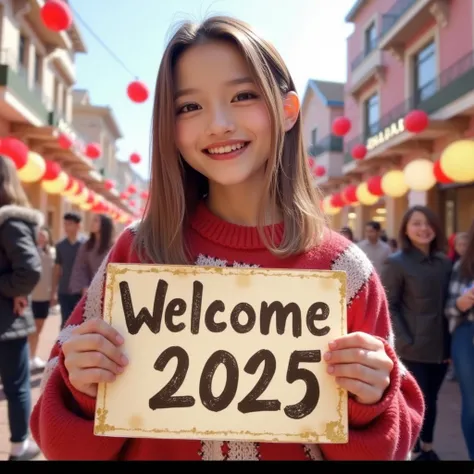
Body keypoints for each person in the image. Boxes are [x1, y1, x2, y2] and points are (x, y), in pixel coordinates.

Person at [30, 15, 424, 461]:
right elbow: (59, 440)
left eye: (243, 96)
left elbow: (392, 445)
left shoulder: (345, 269)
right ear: (168, 126)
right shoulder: (137, 252)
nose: (218, 123)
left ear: (288, 110)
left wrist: (370, 400)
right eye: (189, 107)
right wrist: (82, 388)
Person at [381, 206, 452, 461]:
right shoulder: (396, 262)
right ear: (406, 229)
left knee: (432, 400)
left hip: (442, 347)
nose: (423, 229)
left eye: (428, 223)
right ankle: (411, 450)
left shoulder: (445, 263)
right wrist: (404, 341)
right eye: (416, 224)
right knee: (415, 402)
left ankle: (428, 448)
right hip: (412, 349)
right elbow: (388, 305)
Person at [0, 156, 42, 460]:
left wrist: (11, 288)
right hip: (8, 315)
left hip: (8, 318)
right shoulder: (13, 220)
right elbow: (28, 271)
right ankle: (19, 445)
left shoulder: (10, 220)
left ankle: (19, 444)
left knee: (16, 385)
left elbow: (28, 271)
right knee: (17, 385)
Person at [445, 221, 474, 459]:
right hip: (468, 334)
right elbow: (449, 310)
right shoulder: (463, 267)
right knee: (472, 402)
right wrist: (460, 304)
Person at [29, 226, 56, 370]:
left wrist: (53, 293)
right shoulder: (31, 251)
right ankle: (27, 357)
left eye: (44, 235)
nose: (41, 237)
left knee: (39, 328)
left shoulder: (52, 252)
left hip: (45, 296)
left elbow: (55, 274)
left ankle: (32, 357)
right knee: (30, 329)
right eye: (39, 235)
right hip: (31, 296)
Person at [51, 212, 84, 329]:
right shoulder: (60, 245)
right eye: (65, 224)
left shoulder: (86, 245)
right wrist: (53, 292)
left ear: (78, 225)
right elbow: (57, 269)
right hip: (64, 290)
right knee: (65, 322)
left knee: (79, 323)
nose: (66, 227)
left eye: (69, 224)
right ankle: (62, 347)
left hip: (81, 291)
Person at [69, 213, 115, 296]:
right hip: (90, 289)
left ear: (104, 225)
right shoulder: (87, 246)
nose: (92, 223)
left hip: (109, 289)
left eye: (96, 221)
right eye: (92, 220)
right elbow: (80, 268)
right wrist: (84, 286)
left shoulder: (113, 246)